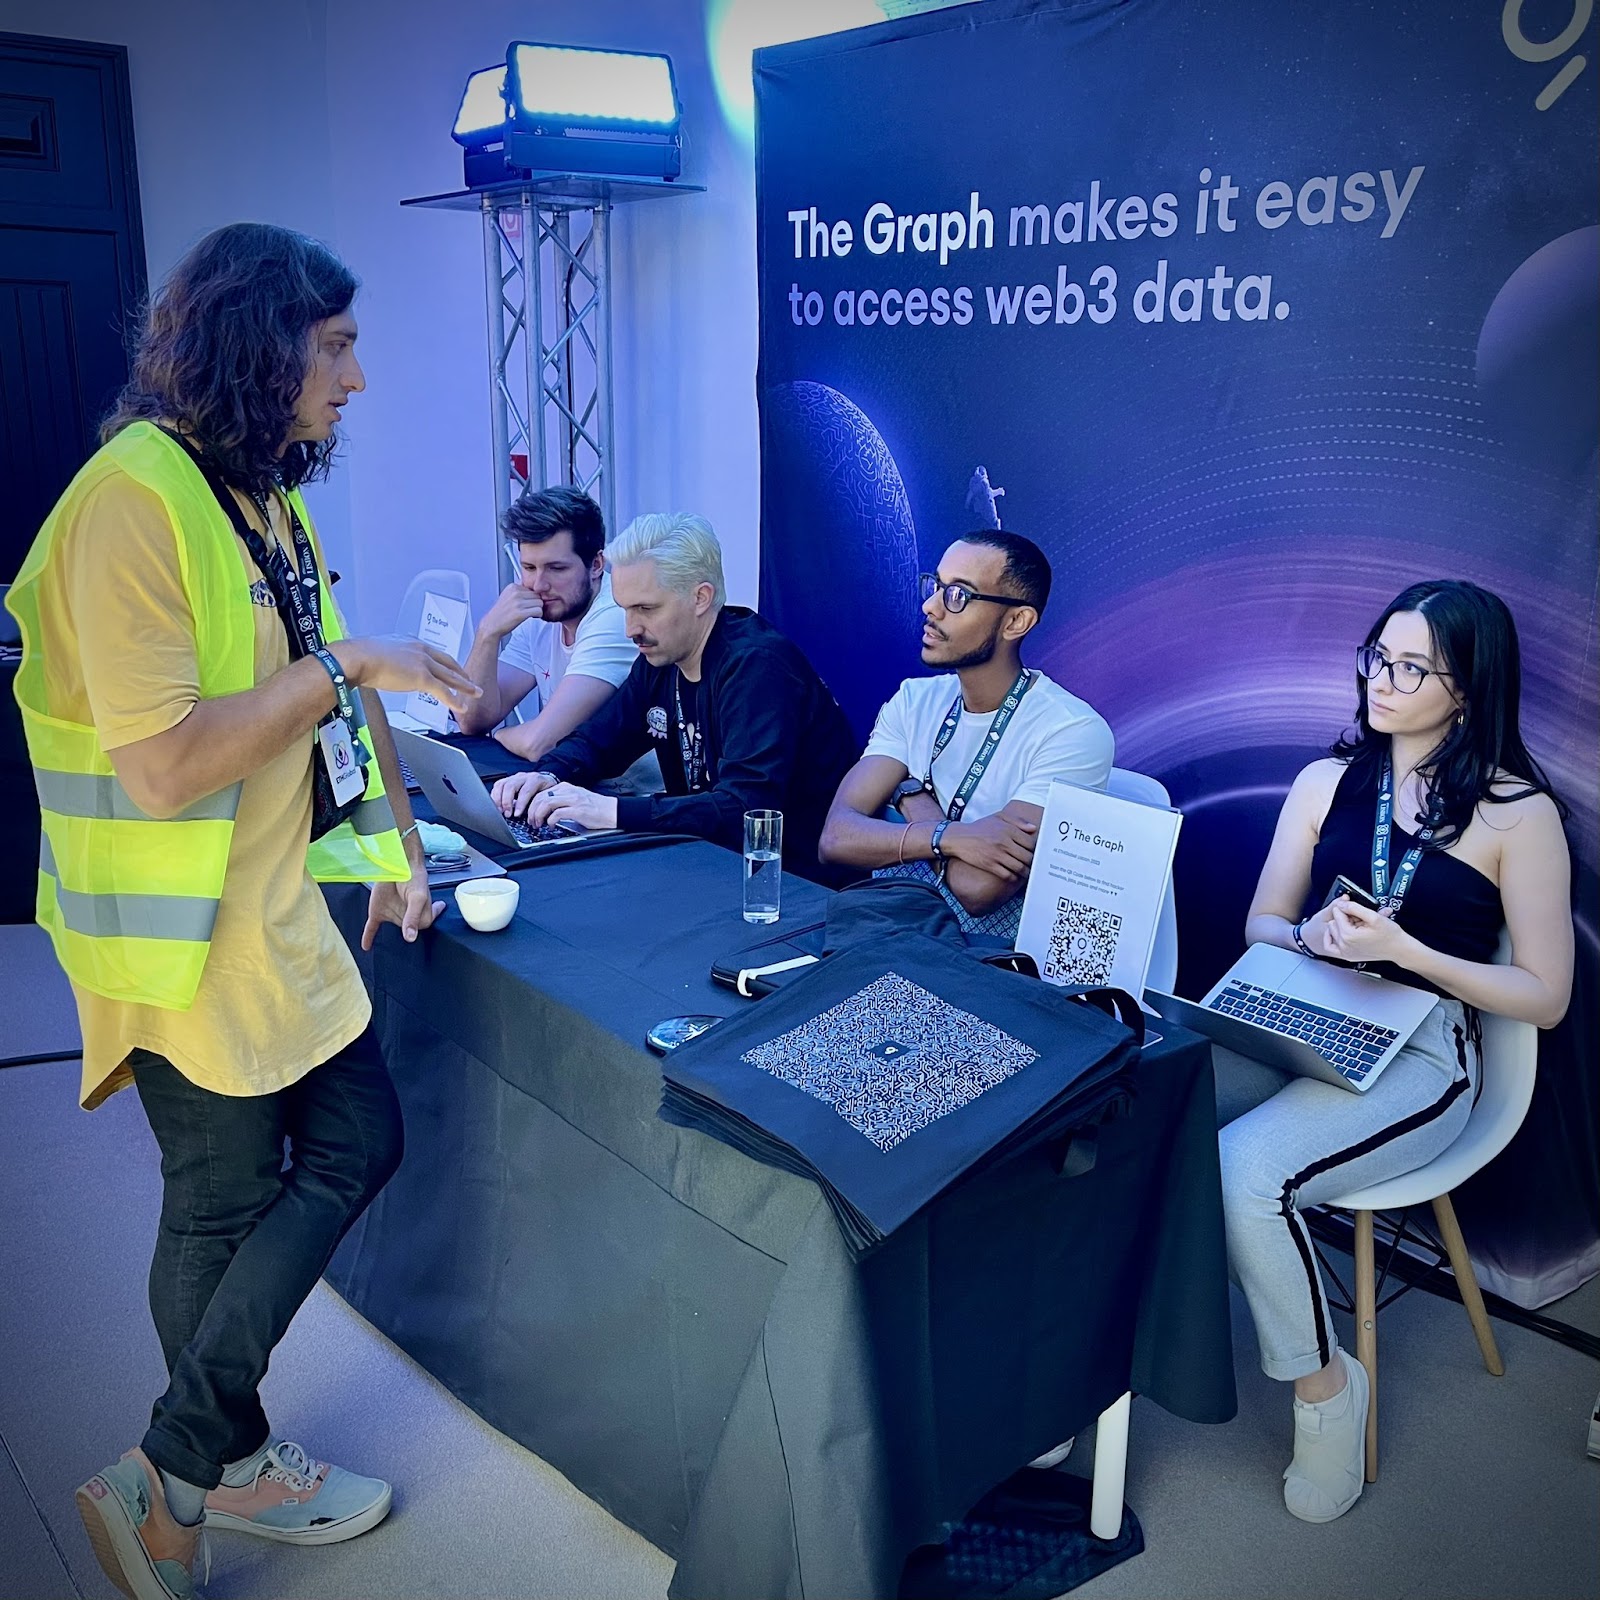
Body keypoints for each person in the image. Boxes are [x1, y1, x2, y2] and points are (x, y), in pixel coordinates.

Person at [5, 222, 481, 1600]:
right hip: (174, 933)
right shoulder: (129, 503)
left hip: (269, 910)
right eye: (336, 348)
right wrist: (354, 667)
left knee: (358, 1139)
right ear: (254, 346)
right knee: (222, 1199)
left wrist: (397, 845)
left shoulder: (259, 498)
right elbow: (166, 767)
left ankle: (191, 1458)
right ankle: (203, 1467)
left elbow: (325, 692)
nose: (356, 378)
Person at [1216, 579, 1572, 1525]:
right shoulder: (1324, 782)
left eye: (1414, 668)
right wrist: (1309, 938)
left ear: (1468, 689)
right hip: (1304, 1014)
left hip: (1422, 1054)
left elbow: (1547, 996)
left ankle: (1328, 1389)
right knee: (1147, 1102)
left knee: (1244, 1169)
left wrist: (1407, 952)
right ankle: (1096, 1363)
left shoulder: (1517, 814)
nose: (1383, 679)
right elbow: (1261, 923)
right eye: (1380, 655)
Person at [490, 512, 857, 884]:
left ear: (700, 598)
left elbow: (744, 809)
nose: (631, 629)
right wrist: (548, 775)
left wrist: (610, 811)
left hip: (794, 885)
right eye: (624, 609)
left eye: (646, 609)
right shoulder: (661, 658)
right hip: (711, 863)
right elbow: (598, 740)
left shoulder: (757, 666)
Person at [818, 530, 1114, 938]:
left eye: (958, 595)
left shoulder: (1072, 731)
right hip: (891, 935)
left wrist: (910, 793)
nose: (930, 606)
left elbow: (978, 890)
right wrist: (954, 836)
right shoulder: (913, 700)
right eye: (936, 586)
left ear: (1016, 621)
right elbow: (836, 839)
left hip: (991, 960)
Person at [455, 485, 636, 763]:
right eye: (529, 568)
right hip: (571, 778)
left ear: (597, 564)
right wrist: (487, 633)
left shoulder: (615, 616)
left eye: (556, 568)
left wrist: (497, 736)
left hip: (626, 788)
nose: (539, 585)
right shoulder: (541, 611)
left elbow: (540, 743)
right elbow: (472, 720)